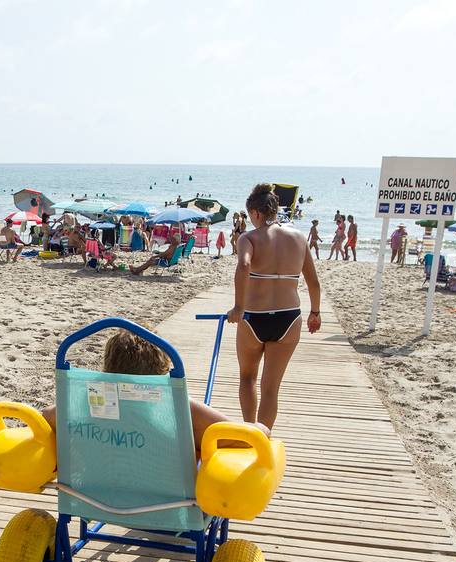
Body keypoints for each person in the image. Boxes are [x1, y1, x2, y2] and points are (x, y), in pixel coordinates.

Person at [40, 330, 268, 452]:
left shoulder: (87, 404)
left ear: (108, 367)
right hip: (171, 508)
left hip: (97, 502)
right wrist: (261, 427)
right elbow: (245, 437)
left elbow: (46, 416)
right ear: (161, 369)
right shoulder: (179, 408)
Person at [226, 183, 321, 431]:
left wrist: (237, 307)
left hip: (254, 317)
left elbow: (244, 266)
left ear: (256, 213)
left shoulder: (249, 238)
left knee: (248, 378)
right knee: (271, 388)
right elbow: (313, 282)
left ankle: (250, 434)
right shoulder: (299, 238)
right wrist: (315, 313)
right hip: (288, 318)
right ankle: (263, 438)